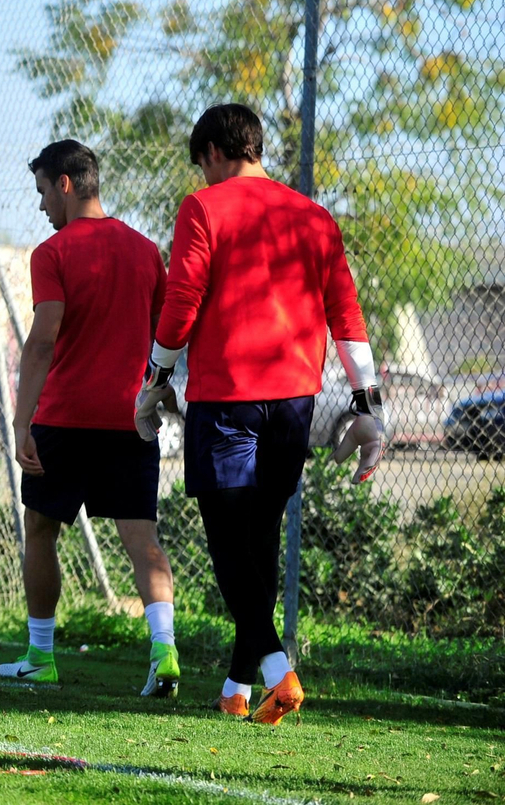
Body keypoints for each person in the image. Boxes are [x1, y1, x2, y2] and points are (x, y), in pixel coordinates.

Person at [136, 104, 384, 725]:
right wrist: (367, 402)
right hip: (295, 399)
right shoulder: (315, 216)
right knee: (261, 538)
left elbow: (183, 296)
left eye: (202, 164)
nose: (203, 177)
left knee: (226, 537)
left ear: (216, 152)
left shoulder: (204, 208)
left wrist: (156, 375)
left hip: (227, 396)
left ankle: (277, 669)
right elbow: (345, 313)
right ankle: (237, 688)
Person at [0, 140, 181, 696]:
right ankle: (165, 652)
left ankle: (40, 656)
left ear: (66, 185)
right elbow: (163, 336)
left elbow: (41, 341)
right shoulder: (147, 251)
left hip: (66, 418)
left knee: (40, 531)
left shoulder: (52, 253)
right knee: (142, 539)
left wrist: (21, 421)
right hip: (130, 421)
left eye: (42, 192)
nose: (42, 206)